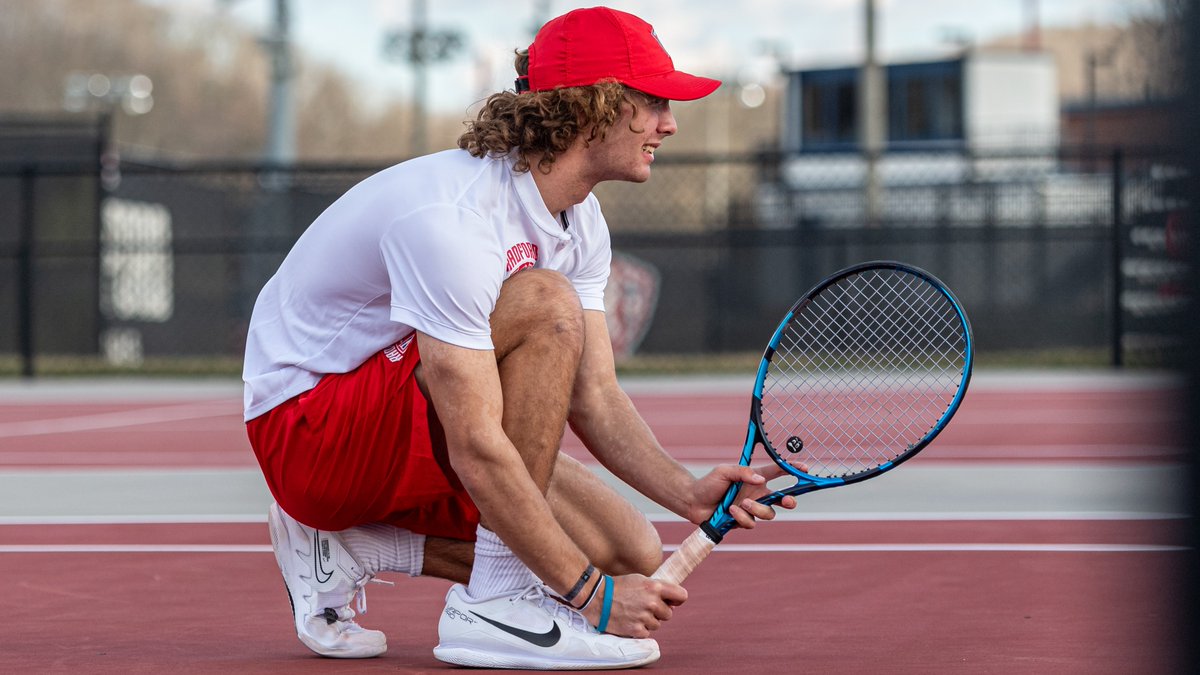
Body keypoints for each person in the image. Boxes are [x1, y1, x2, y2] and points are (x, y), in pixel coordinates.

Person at [243, 6, 795, 670]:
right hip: (308, 431)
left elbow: (594, 394)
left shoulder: (581, 223)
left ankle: (352, 548)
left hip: (395, 411)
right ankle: (493, 607)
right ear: (596, 106)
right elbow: (476, 445)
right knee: (544, 302)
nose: (669, 123)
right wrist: (590, 597)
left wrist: (686, 491)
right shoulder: (454, 219)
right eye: (652, 102)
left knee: (629, 550)